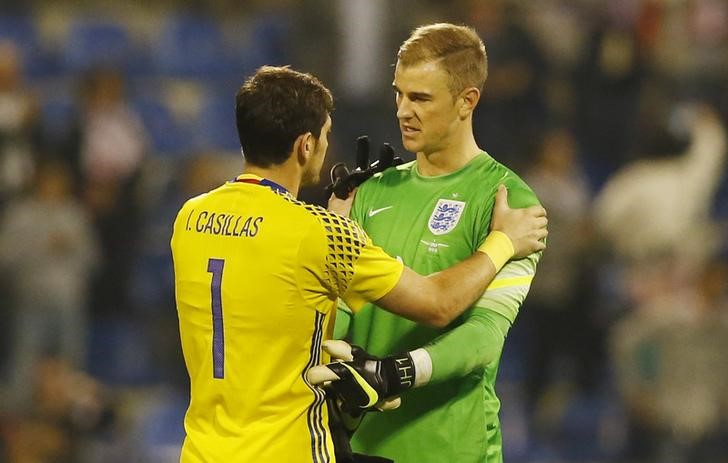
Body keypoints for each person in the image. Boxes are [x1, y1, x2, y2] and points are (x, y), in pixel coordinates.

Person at [170, 65, 547, 463]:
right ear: (306, 146)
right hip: (289, 450)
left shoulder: (190, 217)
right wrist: (504, 241)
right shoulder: (321, 233)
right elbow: (438, 303)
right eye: (326, 136)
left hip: (203, 450)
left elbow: (274, 285)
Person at [322, 23, 545, 463]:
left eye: (421, 98)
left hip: (453, 449)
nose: (403, 111)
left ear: (468, 101)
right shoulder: (371, 192)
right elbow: (344, 314)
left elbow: (484, 336)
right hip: (361, 450)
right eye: (399, 94)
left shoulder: (509, 202)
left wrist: (397, 372)